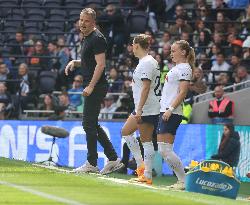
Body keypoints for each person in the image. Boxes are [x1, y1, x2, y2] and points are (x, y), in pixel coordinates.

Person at [64, 8, 124, 174]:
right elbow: (89, 61)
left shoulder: (97, 38)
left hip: (96, 86)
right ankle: (112, 158)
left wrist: (90, 85)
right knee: (91, 124)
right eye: (81, 20)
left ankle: (92, 162)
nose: (82, 23)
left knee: (88, 124)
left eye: (86, 21)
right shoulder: (88, 37)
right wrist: (75, 62)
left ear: (93, 22)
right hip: (93, 84)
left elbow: (101, 64)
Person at [121, 34, 161, 185]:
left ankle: (147, 174)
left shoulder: (146, 63)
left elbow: (145, 87)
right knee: (126, 132)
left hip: (146, 107)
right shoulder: (148, 61)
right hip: (146, 106)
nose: (132, 48)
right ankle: (142, 168)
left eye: (133, 45)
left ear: (136, 45)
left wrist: (139, 109)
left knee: (146, 141)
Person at [157, 40, 194, 190]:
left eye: (174, 51)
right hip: (164, 110)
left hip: (171, 112)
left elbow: (183, 92)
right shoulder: (177, 68)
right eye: (171, 51)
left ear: (183, 52)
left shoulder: (185, 68)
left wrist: (170, 109)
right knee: (163, 150)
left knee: (165, 150)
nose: (171, 53)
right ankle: (182, 180)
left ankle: (183, 180)